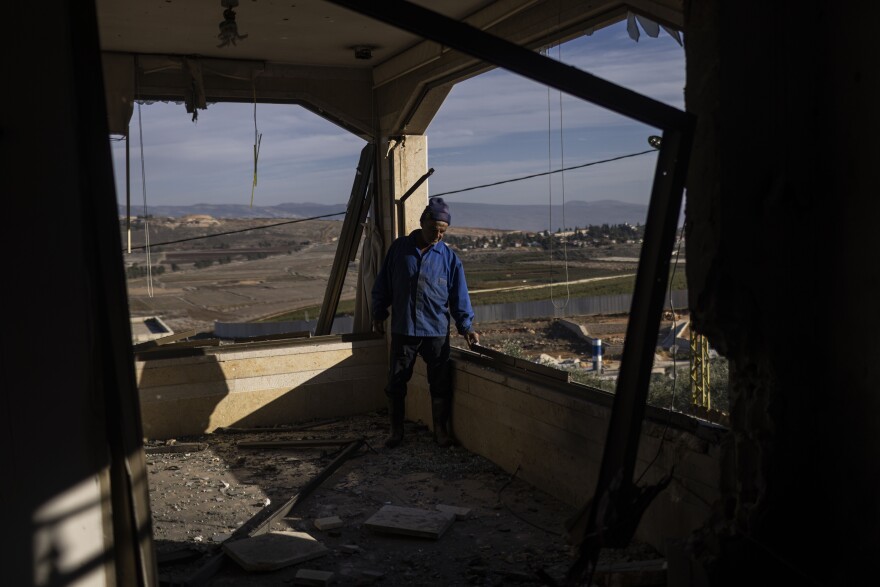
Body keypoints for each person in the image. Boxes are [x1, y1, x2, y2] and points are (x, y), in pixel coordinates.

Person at [371, 197, 480, 449]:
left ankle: (440, 431)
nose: (438, 235)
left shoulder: (449, 258)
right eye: (434, 229)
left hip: (436, 333)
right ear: (422, 222)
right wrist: (378, 313)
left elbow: (458, 296)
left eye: (443, 231)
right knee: (396, 382)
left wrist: (467, 327)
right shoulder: (400, 250)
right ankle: (396, 432)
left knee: (440, 383)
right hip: (404, 330)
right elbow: (383, 285)